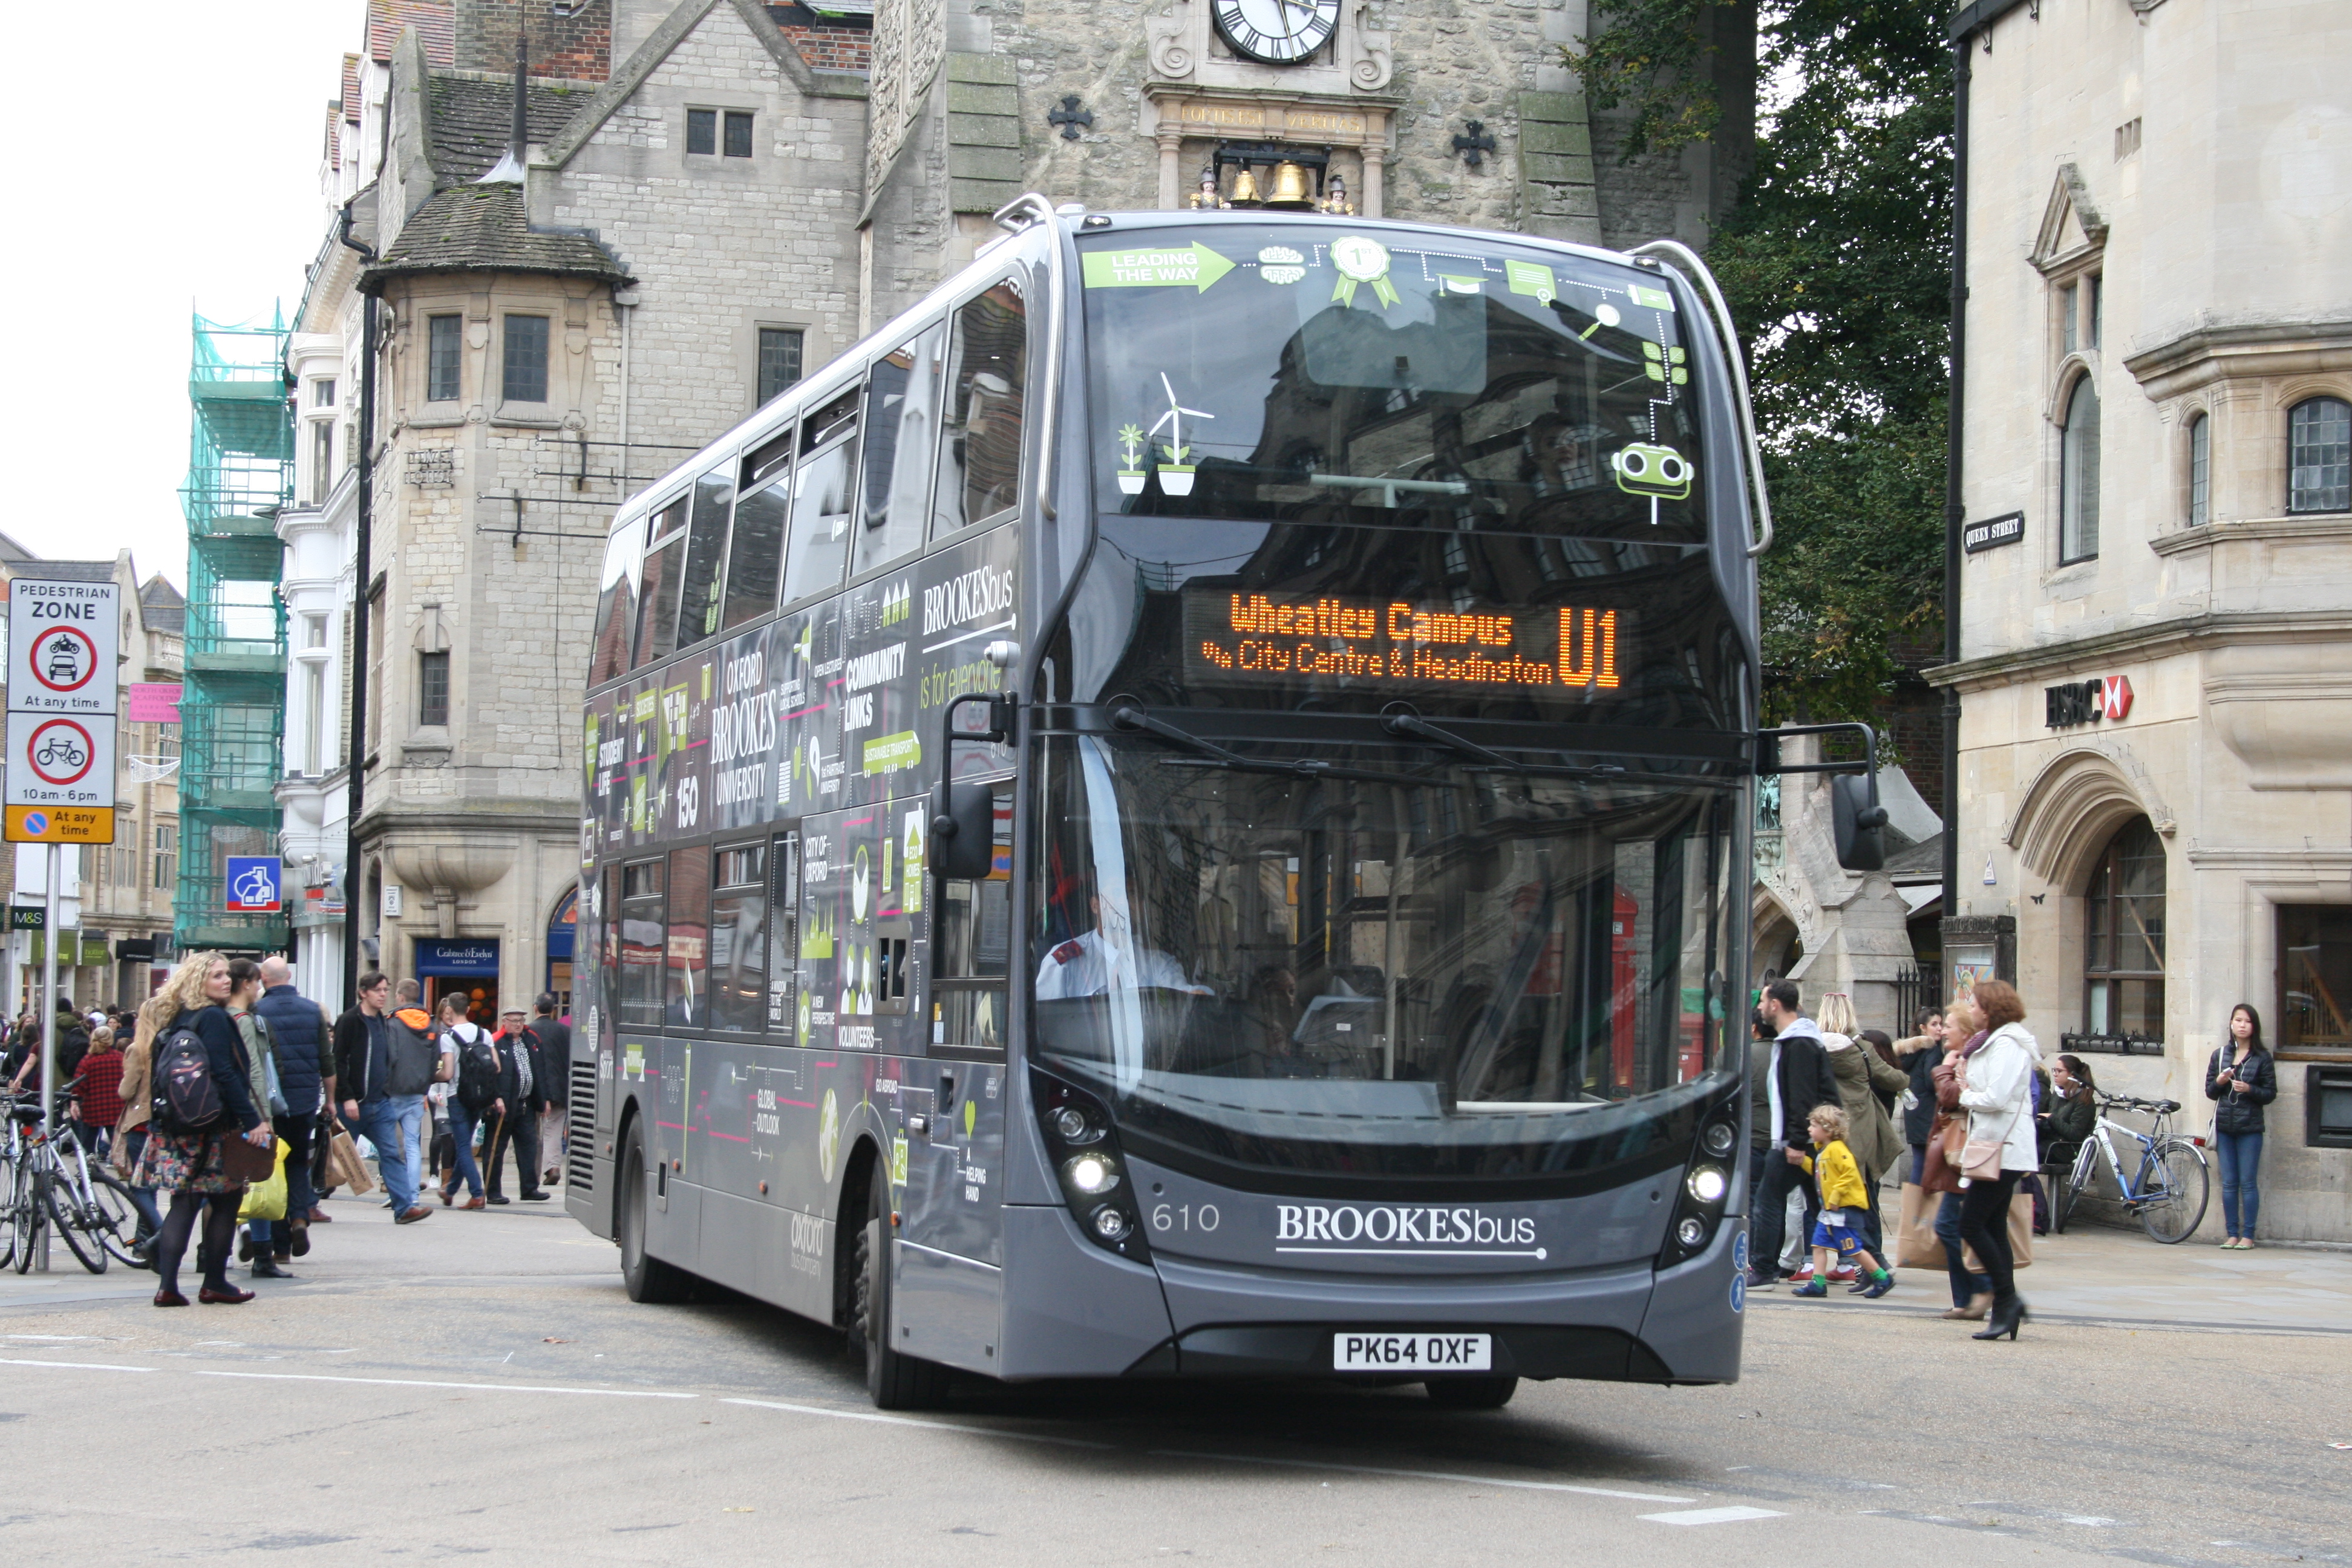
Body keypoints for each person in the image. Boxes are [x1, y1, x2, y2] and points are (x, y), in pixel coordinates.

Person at [135, 952, 272, 1307]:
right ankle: (214, 1282)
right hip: (213, 1128)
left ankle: (167, 1286)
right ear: (199, 982)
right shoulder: (213, 1017)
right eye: (217, 976)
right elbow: (226, 1074)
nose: (226, 981)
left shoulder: (181, 1017)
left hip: (178, 1125)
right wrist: (253, 1120)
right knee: (226, 1201)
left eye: (227, 975)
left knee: (184, 1202)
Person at [1954, 979, 2040, 1341]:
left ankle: (2008, 1298)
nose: (1969, 1009)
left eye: (1974, 1004)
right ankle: (2006, 1306)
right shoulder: (1992, 1041)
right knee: (1991, 1227)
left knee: (1970, 1224)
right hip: (1995, 1145)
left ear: (1989, 1009)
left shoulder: (2007, 1044)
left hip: (2004, 1148)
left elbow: (1998, 1097)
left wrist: (1966, 1094)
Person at [1745, 980, 1841, 1291]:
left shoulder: (1798, 1044)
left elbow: (1801, 1098)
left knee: (1767, 1201)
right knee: (1821, 1207)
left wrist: (1797, 1143)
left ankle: (1762, 1271)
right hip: (1802, 1140)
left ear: (1775, 1005)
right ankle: (1875, 1267)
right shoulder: (1797, 1041)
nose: (1759, 1007)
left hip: (1796, 1143)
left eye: (1762, 1000)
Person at [332, 972, 434, 1224]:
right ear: (363, 992)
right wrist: (346, 1098)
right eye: (378, 990)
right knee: (336, 1156)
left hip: (379, 1103)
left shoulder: (383, 1021)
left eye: (386, 990)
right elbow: (338, 1061)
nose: (383, 995)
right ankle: (309, 1203)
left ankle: (404, 1207)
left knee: (392, 1153)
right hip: (353, 1103)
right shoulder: (350, 1020)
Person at [1816, 992, 1909, 1260]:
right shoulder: (1861, 1048)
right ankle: (1871, 1258)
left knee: (1823, 1195)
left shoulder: (1811, 1047)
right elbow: (1894, 1079)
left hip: (1823, 1127)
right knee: (1864, 1193)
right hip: (1859, 1127)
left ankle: (1825, 1261)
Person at [253, 957, 332, 1253]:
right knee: (298, 1163)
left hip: (270, 1105)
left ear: (263, 978)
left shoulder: (258, 1011)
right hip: (304, 1102)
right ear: (289, 976)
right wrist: (331, 1101)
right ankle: (299, 1216)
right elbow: (327, 1061)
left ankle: (279, 1242)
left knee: (272, 1167)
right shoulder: (312, 1011)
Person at [221, 959, 292, 1279]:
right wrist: (260, 1117)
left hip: (229, 1112)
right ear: (248, 983)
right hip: (250, 1114)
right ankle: (262, 1255)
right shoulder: (244, 1021)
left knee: (227, 1184)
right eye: (256, 982)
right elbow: (253, 1072)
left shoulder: (222, 1017)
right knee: (258, 1179)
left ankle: (215, 1250)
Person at [1789, 1105, 1896, 1299]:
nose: (1809, 1130)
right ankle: (1818, 1283)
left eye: (1813, 1126)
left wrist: (1836, 1197)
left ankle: (1881, 1277)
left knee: (1852, 1248)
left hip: (1842, 1210)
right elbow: (1819, 1171)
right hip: (1829, 1211)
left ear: (1828, 1129)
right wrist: (1801, 1162)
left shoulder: (1837, 1150)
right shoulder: (1824, 1150)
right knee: (1818, 1245)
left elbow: (1849, 1173)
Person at [2206, 1002, 2277, 1249]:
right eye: (2238, 1020)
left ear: (2254, 1026)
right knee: (2229, 1182)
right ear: (2231, 1024)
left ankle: (2248, 1236)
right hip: (2225, 1126)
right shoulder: (2220, 1054)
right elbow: (2210, 1092)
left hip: (2250, 1128)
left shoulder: (2262, 1057)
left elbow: (2270, 1094)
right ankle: (2231, 1234)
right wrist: (2220, 1080)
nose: (2242, 1025)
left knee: (2247, 1182)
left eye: (2247, 1021)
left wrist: (2249, 1089)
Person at [483, 1006, 549, 1203]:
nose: (518, 1024)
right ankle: (493, 1191)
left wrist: (544, 1099)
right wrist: (496, 1097)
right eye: (514, 1021)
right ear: (505, 1022)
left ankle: (529, 1188)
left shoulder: (532, 1039)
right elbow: (489, 1074)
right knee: (496, 1150)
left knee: (529, 1147)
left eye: (521, 1020)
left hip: (526, 1103)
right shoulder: (495, 1042)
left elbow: (540, 1070)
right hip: (503, 1105)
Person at [437, 995, 492, 1209]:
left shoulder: (448, 1037)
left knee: (462, 1146)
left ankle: (477, 1194)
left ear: (450, 1009)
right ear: (469, 1008)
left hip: (457, 1096)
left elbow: (448, 1072)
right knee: (465, 1143)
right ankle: (450, 1191)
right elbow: (495, 1065)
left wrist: (434, 1075)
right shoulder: (484, 1034)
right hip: (479, 1096)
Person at [1895, 1007, 1949, 1181]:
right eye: (1934, 1024)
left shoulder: (1909, 1053)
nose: (1940, 1028)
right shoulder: (1932, 1050)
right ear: (1922, 1028)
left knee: (1920, 1160)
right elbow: (1932, 1080)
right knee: (1926, 1162)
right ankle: (1918, 1203)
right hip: (1928, 1113)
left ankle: (1914, 1204)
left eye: (1941, 1023)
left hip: (1915, 1111)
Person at [528, 993, 572, 1187]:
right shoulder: (565, 1031)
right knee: (553, 1131)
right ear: (553, 1010)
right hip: (559, 1088)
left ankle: (533, 1172)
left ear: (535, 1007)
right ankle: (553, 1167)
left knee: (532, 1133)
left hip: (533, 1089)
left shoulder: (528, 1031)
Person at [70, 1026, 124, 1158]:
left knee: (87, 1145)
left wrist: (74, 1103)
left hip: (93, 1107)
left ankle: (87, 1169)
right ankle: (124, 1169)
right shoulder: (120, 1058)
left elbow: (78, 1085)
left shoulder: (88, 1060)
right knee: (119, 1145)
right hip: (116, 1107)